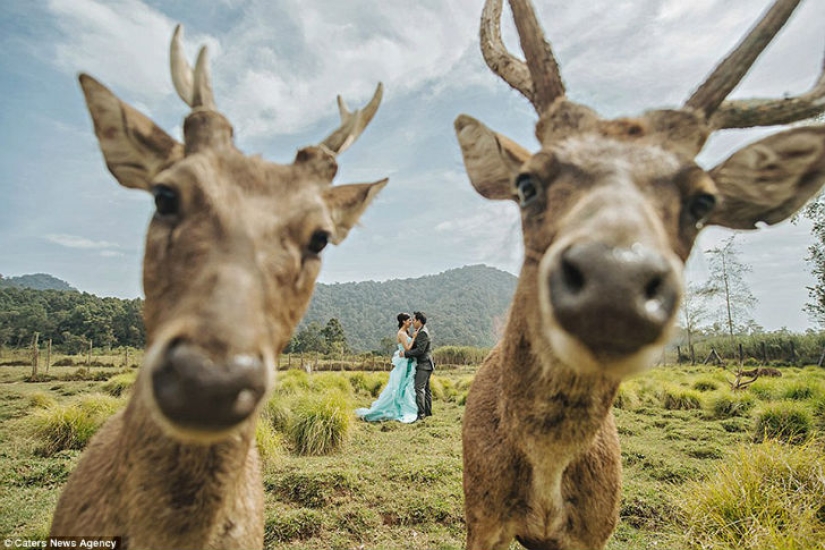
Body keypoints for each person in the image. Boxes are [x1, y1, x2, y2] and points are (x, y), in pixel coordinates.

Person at [355, 313, 419, 423]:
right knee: (399, 386)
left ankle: (404, 406)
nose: (411, 322)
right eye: (409, 320)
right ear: (403, 321)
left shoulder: (405, 332)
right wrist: (414, 338)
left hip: (407, 361)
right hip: (403, 363)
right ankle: (394, 409)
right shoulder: (402, 333)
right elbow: (407, 349)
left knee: (405, 386)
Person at [401, 311, 433, 421]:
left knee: (419, 388)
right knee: (426, 389)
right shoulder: (419, 331)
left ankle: (421, 414)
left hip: (424, 364)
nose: (413, 322)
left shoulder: (423, 332)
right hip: (427, 364)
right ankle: (428, 412)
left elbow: (420, 350)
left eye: (414, 320)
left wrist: (405, 353)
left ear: (419, 321)